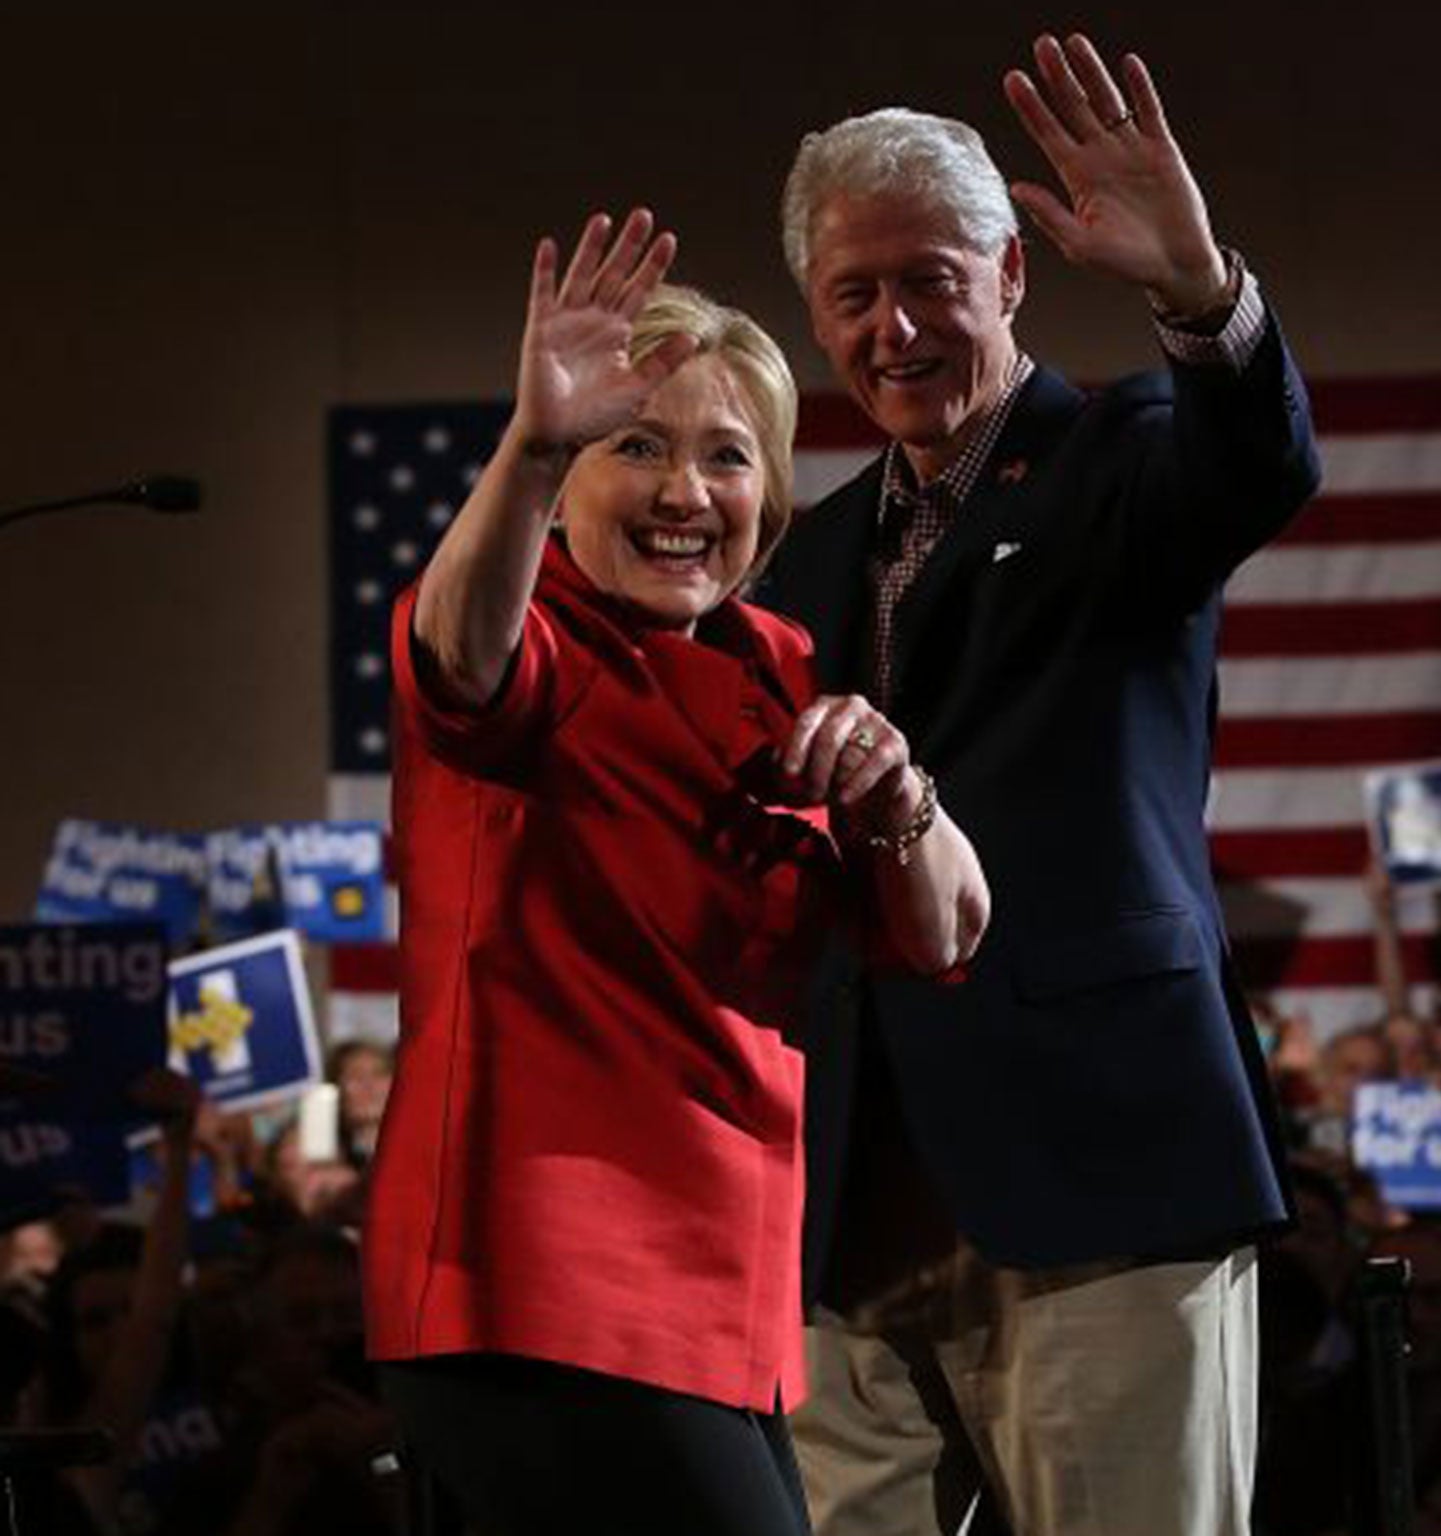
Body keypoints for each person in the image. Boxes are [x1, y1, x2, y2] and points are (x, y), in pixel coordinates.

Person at [762, 32, 1319, 1536]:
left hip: (1100, 1176)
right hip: (852, 1215)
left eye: (931, 278)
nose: (895, 327)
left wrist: (1199, 288)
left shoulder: (1121, 458)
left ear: (1011, 276)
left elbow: (1254, 462)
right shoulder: (802, 558)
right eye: (854, 293)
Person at [362, 209, 989, 1536]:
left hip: (735, 1301)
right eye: (634, 446)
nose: (684, 494)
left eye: (727, 457)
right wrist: (530, 446)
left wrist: (896, 792)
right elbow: (456, 650)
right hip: (533, 1288)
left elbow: (946, 933)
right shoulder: (526, 640)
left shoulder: (784, 666)